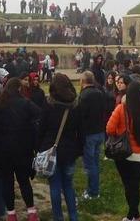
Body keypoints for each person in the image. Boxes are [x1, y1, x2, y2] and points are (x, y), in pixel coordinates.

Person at [0, 78, 41, 221]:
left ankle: (11, 214)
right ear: (19, 89)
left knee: (7, 181)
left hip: (3, 148)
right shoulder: (25, 103)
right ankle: (31, 211)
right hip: (22, 148)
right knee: (24, 181)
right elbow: (39, 114)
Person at [107, 80, 140, 221]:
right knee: (134, 186)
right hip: (139, 154)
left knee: (128, 186)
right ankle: (136, 215)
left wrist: (120, 132)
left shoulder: (121, 108)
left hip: (123, 153)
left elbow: (109, 128)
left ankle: (132, 215)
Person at [37, 73, 81, 221]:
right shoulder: (75, 106)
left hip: (52, 149)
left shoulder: (49, 105)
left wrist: (39, 147)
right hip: (69, 150)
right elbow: (80, 130)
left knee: (55, 186)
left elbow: (41, 128)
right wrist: (78, 150)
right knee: (68, 184)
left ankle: (58, 217)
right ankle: (73, 216)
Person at [78, 71, 106, 200]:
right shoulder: (100, 93)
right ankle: (94, 188)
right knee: (95, 161)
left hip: (89, 133)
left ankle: (93, 192)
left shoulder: (84, 96)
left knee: (90, 164)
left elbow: (81, 116)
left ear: (82, 81)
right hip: (100, 131)